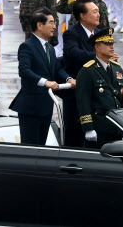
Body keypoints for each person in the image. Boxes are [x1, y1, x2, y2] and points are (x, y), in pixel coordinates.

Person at [10, 8, 76, 145]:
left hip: (46, 106)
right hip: (31, 107)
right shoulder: (27, 46)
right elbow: (24, 70)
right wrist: (45, 82)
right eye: (51, 23)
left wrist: (68, 79)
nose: (54, 26)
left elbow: (57, 69)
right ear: (40, 25)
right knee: (31, 147)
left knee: (42, 146)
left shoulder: (49, 48)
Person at [76, 27, 123, 148]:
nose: (112, 47)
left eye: (112, 43)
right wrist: (88, 128)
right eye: (107, 44)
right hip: (101, 127)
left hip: (119, 124)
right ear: (97, 47)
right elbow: (83, 101)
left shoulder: (116, 68)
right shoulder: (88, 71)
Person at [62, 0, 101, 147]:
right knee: (75, 134)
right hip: (76, 92)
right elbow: (73, 53)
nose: (98, 15)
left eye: (98, 11)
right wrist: (98, 55)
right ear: (83, 16)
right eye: (95, 12)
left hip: (96, 91)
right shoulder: (72, 33)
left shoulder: (99, 33)